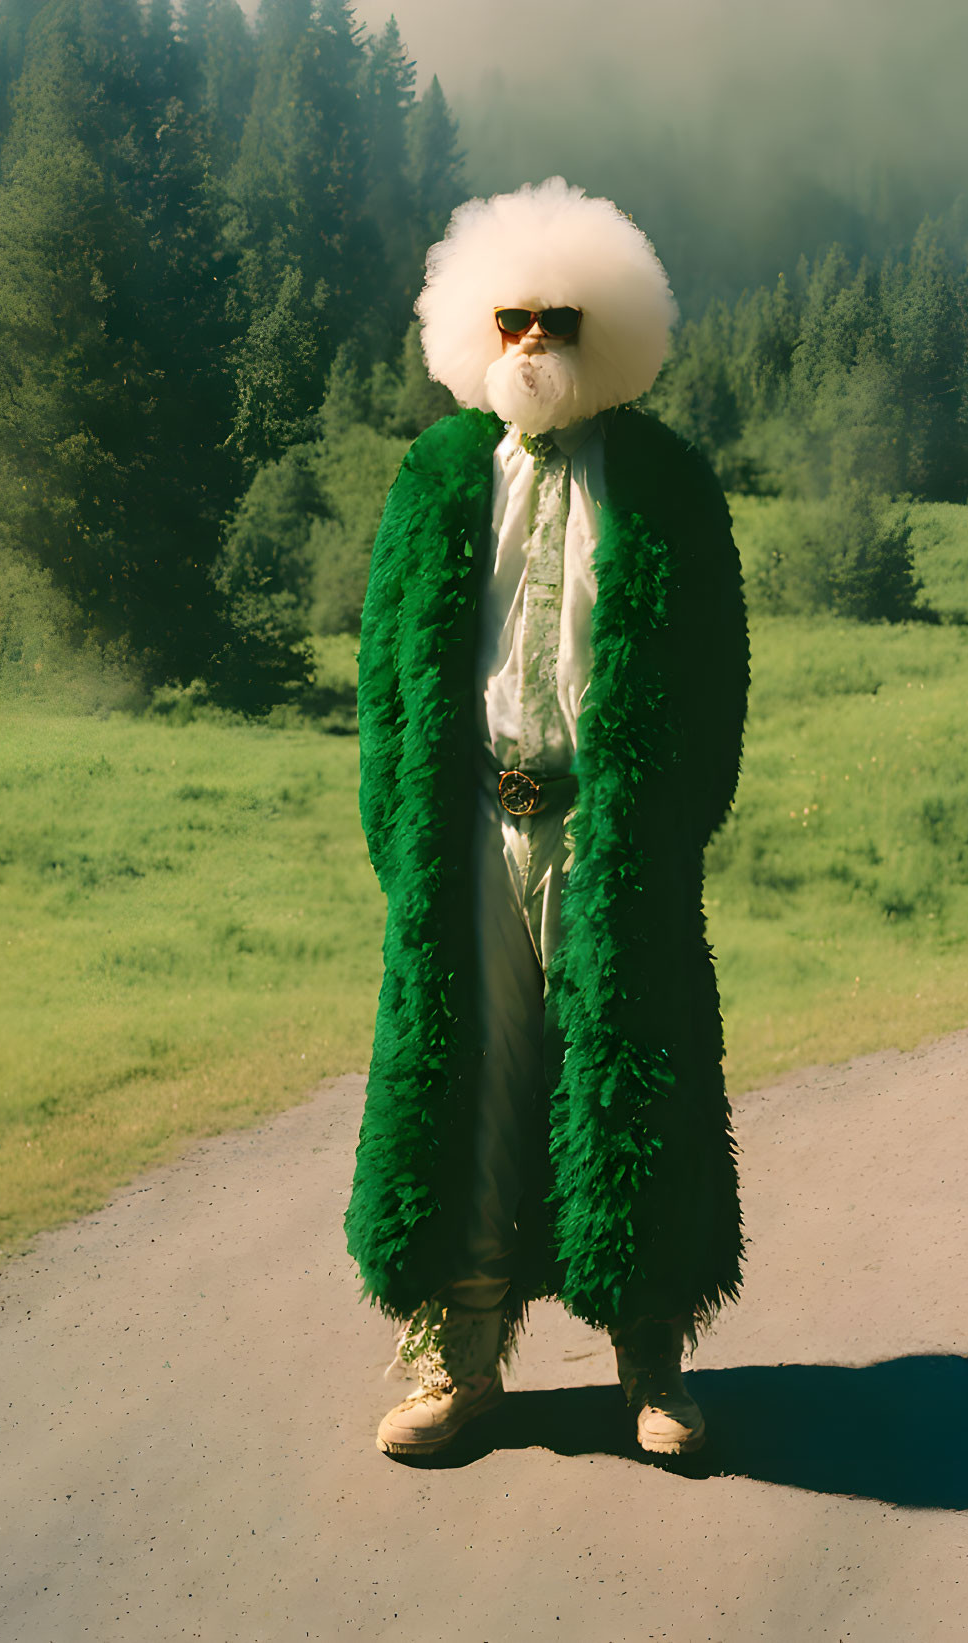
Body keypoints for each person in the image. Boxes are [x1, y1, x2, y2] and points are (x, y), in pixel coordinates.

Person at [345, 176, 748, 1460]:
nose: (530, 342)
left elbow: (716, 679)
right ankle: (456, 1361)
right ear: (478, 325)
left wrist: (661, 834)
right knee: (472, 1079)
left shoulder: (670, 485)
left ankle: (653, 1364)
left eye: (556, 319)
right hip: (467, 823)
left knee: (630, 1082)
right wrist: (401, 838)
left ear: (604, 331)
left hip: (609, 835)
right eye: (509, 317)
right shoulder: (437, 475)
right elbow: (386, 673)